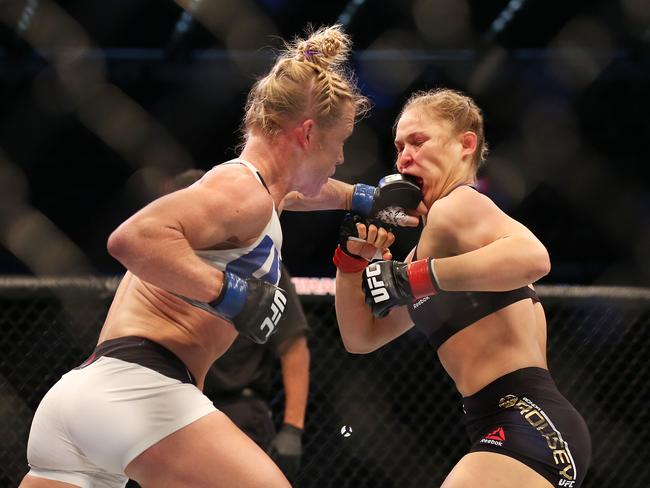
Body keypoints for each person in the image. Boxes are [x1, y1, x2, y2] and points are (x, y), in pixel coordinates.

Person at [20, 24, 370, 488]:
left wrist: (362, 198)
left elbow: (303, 194)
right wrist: (231, 295)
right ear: (308, 134)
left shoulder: (256, 191)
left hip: (86, 397)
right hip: (140, 390)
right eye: (340, 140)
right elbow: (132, 238)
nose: (342, 157)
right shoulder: (242, 190)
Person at [332, 88, 592, 488]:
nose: (404, 157)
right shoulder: (427, 250)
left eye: (419, 141)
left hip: (527, 420)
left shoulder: (459, 205)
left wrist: (416, 277)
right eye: (399, 146)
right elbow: (361, 337)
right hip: (508, 422)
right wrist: (349, 262)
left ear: (465, 145)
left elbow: (535, 257)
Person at [124, 169, 311, 488]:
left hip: (235, 406)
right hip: (171, 401)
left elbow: (292, 346)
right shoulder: (159, 269)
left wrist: (293, 428)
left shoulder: (261, 266)